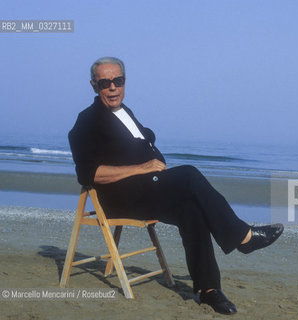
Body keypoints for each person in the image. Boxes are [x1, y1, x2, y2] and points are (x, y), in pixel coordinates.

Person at [68, 57, 283, 315]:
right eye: (105, 83)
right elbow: (88, 174)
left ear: (125, 82)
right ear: (94, 86)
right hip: (123, 199)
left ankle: (209, 290)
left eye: (118, 81)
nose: (113, 87)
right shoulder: (87, 121)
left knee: (193, 208)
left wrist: (149, 150)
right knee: (190, 175)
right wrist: (142, 167)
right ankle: (243, 237)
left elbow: (139, 140)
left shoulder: (125, 111)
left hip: (149, 190)